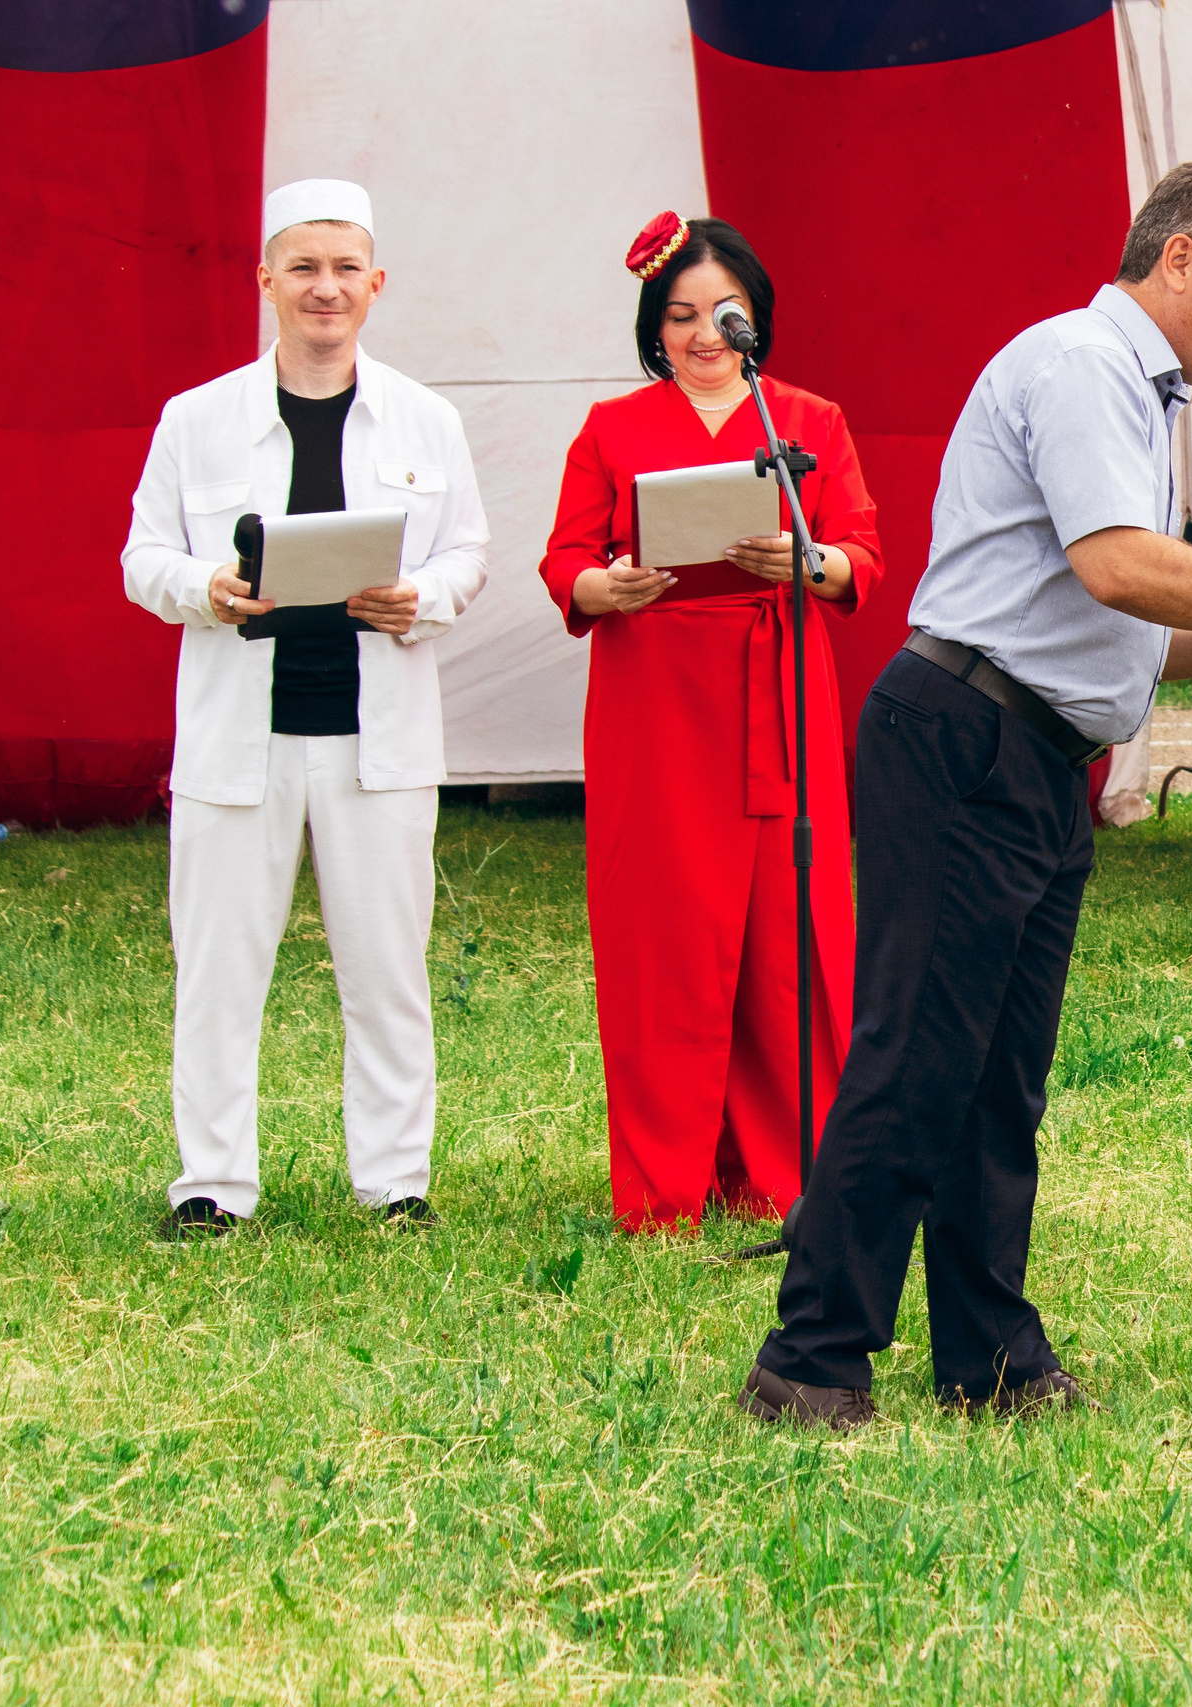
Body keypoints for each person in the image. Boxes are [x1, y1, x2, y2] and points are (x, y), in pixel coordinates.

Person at [737, 161, 1192, 1430]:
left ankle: (988, 1358)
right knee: (914, 1055)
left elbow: (1134, 627)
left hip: (1032, 758)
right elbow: (1116, 569)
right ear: (1179, 258)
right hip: (965, 739)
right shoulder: (1080, 366)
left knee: (1000, 1078)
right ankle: (810, 1360)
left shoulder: (1133, 390)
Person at [122, 179, 489, 1238]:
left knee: (386, 971)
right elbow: (142, 556)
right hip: (241, 738)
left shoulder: (426, 416)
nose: (323, 288)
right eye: (302, 267)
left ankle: (394, 1183)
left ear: (375, 285)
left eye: (343, 269)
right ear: (266, 282)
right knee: (219, 970)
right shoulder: (198, 420)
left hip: (379, 738)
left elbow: (467, 551)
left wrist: (421, 599)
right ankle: (212, 1185)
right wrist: (208, 589)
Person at [538, 214, 882, 1233]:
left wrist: (804, 563)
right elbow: (565, 560)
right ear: (656, 326)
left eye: (721, 313)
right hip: (657, 703)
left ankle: (792, 1171)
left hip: (778, 694)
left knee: (789, 939)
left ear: (755, 317)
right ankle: (661, 1185)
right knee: (666, 940)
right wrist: (607, 586)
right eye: (680, 315)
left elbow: (861, 551)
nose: (702, 335)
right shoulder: (611, 429)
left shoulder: (806, 421)